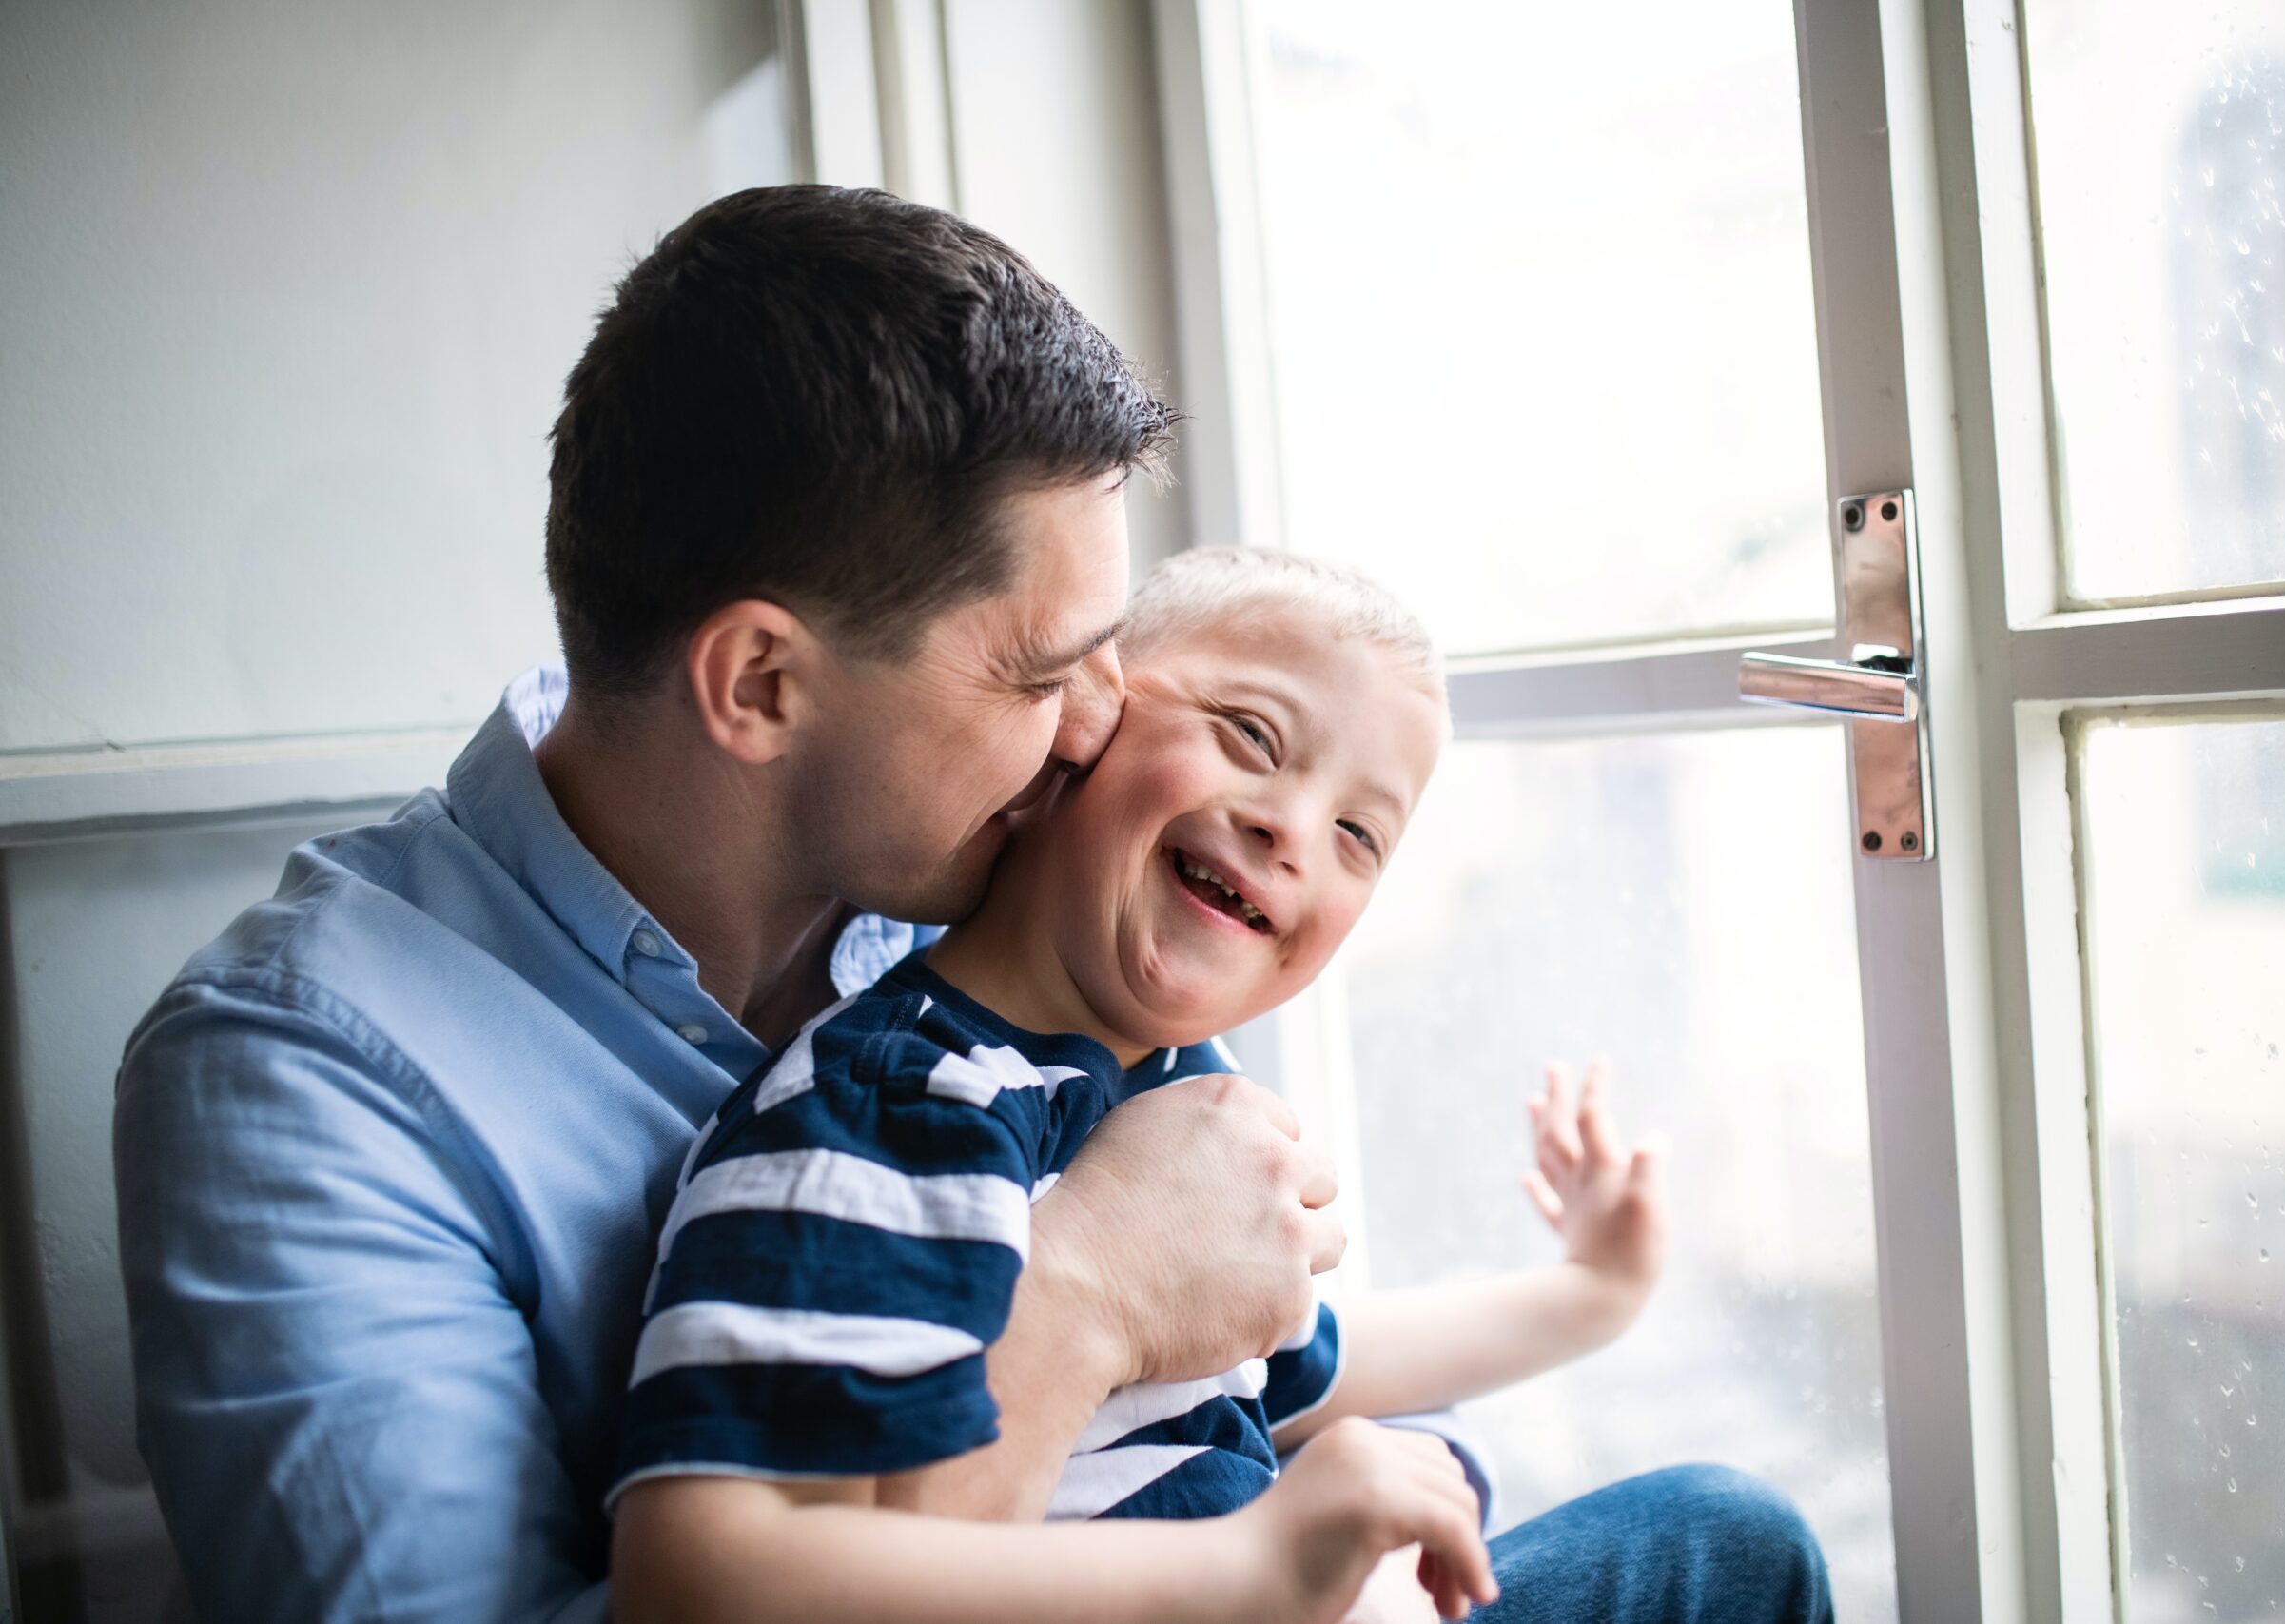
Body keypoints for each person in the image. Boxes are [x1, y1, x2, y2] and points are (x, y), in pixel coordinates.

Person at [115, 185, 1826, 1624]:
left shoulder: (985, 900)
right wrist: (1087, 1299)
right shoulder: (302, 1081)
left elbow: (1237, 1380)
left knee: (1725, 1546)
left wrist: (1409, 1412)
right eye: (1046, 670)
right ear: (763, 686)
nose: (1097, 727)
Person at [609, 547, 1725, 1624]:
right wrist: (1256, 1559)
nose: (1290, 829)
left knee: (1723, 1536)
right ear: (1080, 725)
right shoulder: (880, 1111)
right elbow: (763, 1574)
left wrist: (1590, 1296)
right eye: (1250, 736)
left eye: (1356, 833)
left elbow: (1309, 1365)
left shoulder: (1185, 1097)